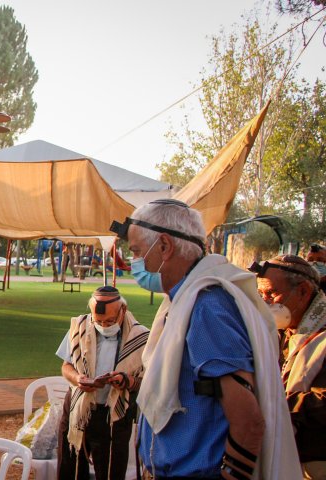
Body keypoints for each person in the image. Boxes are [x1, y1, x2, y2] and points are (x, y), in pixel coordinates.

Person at [109, 198, 300, 479]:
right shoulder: (185, 301)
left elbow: (248, 421)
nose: (136, 263)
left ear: (164, 246)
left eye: (137, 252)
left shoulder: (207, 308)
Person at [54, 286, 149, 480]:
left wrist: (127, 381)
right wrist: (78, 379)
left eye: (110, 321)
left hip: (114, 416)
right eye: (99, 322)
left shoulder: (141, 337)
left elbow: (147, 381)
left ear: (123, 310)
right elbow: (66, 367)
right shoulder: (80, 326)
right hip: (78, 410)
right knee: (69, 469)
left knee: (111, 472)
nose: (104, 326)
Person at [252, 255, 326, 479]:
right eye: (261, 294)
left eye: (271, 294)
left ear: (303, 291)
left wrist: (271, 402)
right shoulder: (281, 332)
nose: (265, 302)